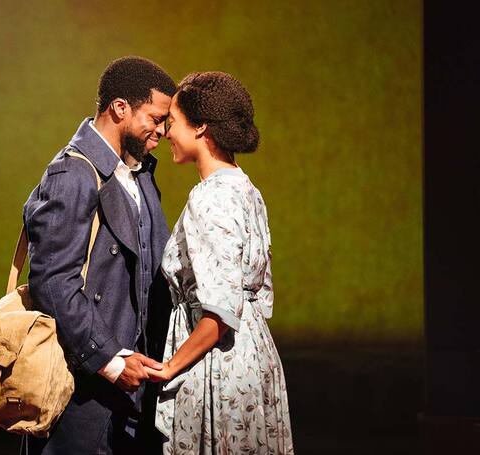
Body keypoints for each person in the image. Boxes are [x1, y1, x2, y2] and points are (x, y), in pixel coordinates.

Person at [23, 56, 176, 454]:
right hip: (84, 392)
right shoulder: (71, 175)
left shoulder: (139, 175)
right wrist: (110, 360)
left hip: (133, 395)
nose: (162, 130)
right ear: (120, 108)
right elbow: (54, 282)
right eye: (155, 118)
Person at [146, 72, 295, 454]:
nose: (165, 134)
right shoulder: (246, 189)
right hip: (251, 356)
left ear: (201, 128)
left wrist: (168, 368)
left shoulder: (211, 198)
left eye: (173, 123)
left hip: (220, 366)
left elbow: (220, 311)